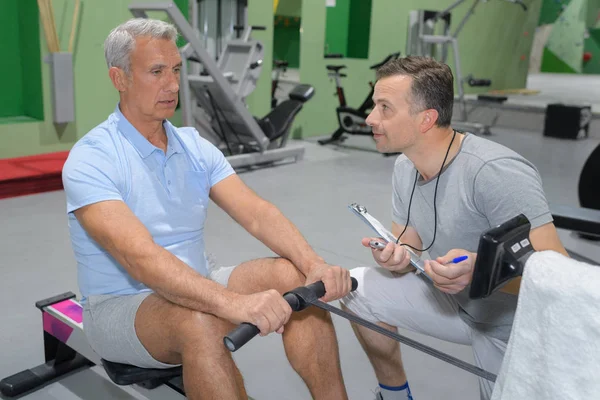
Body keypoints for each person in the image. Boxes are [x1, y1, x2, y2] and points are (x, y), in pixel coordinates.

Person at [61, 18, 353, 400]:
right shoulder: (91, 159)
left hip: (200, 278)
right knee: (197, 321)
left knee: (292, 273)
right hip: (121, 305)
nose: (171, 84)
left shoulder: (193, 145)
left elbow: (257, 213)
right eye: (156, 72)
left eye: (176, 70)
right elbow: (140, 259)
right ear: (120, 78)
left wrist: (315, 265)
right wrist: (234, 304)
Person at [339, 56, 569, 400]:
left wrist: (484, 273)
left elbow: (558, 277)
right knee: (357, 288)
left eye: (385, 108)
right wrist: (398, 256)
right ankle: (395, 395)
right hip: (456, 302)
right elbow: (411, 242)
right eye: (374, 105)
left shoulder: (494, 171)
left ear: (426, 119)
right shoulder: (406, 167)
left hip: (512, 327)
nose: (371, 118)